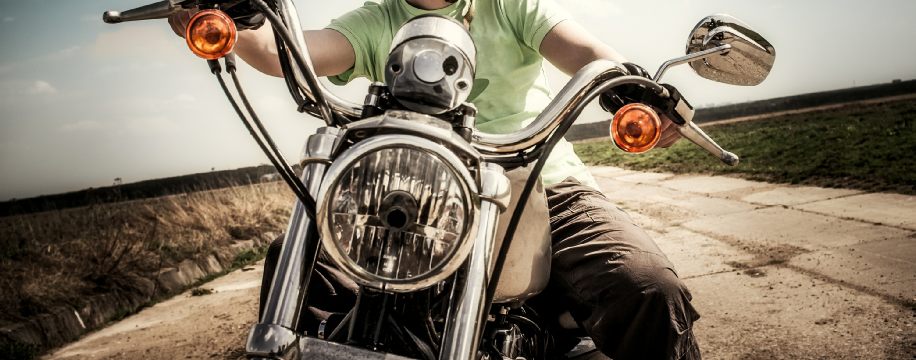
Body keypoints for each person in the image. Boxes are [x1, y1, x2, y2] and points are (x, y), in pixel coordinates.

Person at [172, 0, 700, 358]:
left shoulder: (510, 5)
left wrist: (631, 85)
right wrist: (234, 18)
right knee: (305, 262)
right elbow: (280, 53)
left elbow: (587, 54)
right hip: (418, 199)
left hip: (539, 184)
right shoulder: (378, 19)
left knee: (647, 286)